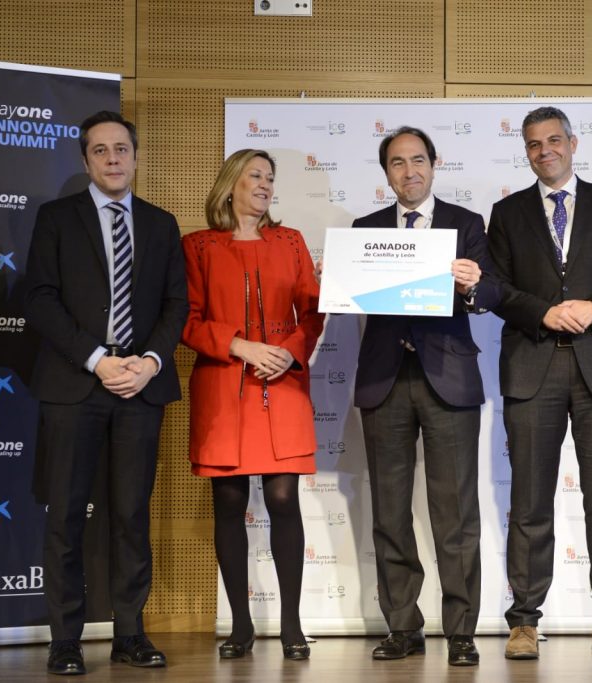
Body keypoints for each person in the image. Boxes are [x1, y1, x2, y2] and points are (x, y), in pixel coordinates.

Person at [487, 106, 592, 661]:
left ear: (573, 144)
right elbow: (495, 289)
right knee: (530, 502)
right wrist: (542, 312)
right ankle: (523, 624)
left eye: (554, 140)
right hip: (532, 369)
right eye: (534, 144)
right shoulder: (507, 213)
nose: (546, 151)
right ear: (527, 152)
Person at [25, 110, 188, 675]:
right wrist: (98, 359)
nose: (113, 159)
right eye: (101, 150)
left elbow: (176, 305)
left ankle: (130, 633)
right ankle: (65, 640)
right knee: (66, 516)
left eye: (122, 149)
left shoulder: (161, 224)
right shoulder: (56, 218)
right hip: (76, 383)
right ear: (86, 160)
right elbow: (39, 298)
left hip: (140, 388)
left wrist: (148, 362)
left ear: (136, 157)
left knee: (131, 515)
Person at [352, 127, 499, 667]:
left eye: (418, 160)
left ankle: (461, 631)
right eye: (397, 162)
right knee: (389, 512)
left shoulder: (467, 223)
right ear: (386, 172)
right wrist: (337, 280)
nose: (409, 171)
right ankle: (402, 626)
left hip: (448, 377)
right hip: (384, 378)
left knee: (455, 511)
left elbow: (491, 293)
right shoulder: (364, 230)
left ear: (434, 164)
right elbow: (353, 295)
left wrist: (471, 285)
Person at [182, 149, 323, 661]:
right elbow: (187, 320)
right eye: (254, 175)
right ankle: (240, 626)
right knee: (228, 503)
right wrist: (238, 346)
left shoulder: (291, 241)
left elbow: (313, 311)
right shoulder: (197, 246)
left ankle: (292, 625)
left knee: (284, 500)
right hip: (224, 388)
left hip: (282, 384)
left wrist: (287, 352)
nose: (264, 184)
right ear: (231, 185)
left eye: (270, 177)